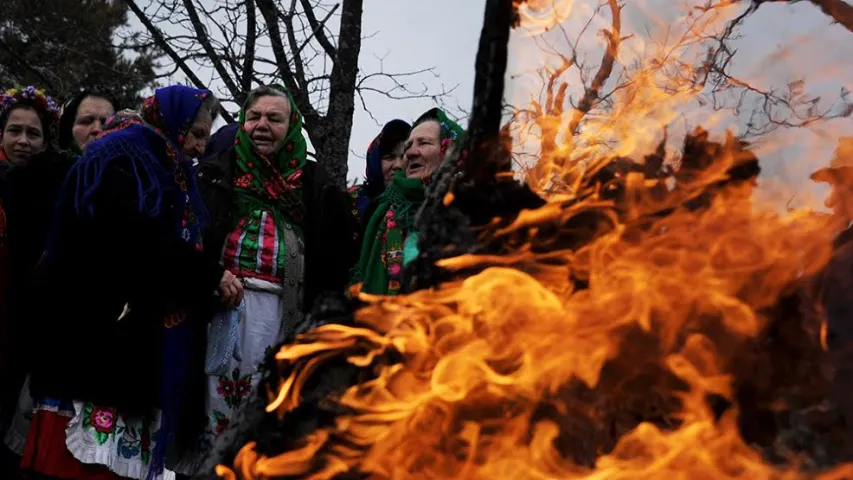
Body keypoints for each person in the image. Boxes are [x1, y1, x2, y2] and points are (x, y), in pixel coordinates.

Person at [21, 85, 242, 480]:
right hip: (94, 337)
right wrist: (210, 275)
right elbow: (137, 238)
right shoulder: (124, 157)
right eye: (196, 134)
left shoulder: (165, 163)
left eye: (205, 137)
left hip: (128, 342)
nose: (199, 146)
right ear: (174, 122)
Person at [171, 85, 357, 476]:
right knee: (210, 410)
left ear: (292, 126)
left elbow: (336, 263)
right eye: (254, 117)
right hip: (219, 312)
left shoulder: (315, 186)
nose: (262, 126)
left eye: (274, 119)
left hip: (284, 319)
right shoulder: (216, 173)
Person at [2, 87, 121, 465]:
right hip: (37, 336)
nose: (98, 129)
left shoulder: (138, 180)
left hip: (107, 340)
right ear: (70, 127)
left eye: (108, 121)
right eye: (87, 121)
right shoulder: (41, 175)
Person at [351, 108, 464, 295]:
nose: (410, 153)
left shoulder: (473, 208)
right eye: (408, 146)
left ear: (450, 150)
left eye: (424, 143)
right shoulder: (385, 211)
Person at [348, 119, 411, 226]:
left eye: (404, 157)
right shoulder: (352, 202)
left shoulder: (425, 202)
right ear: (375, 162)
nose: (398, 165)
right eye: (389, 157)